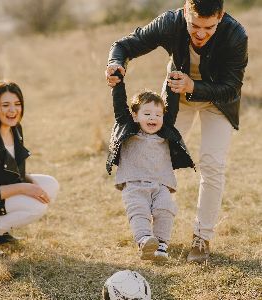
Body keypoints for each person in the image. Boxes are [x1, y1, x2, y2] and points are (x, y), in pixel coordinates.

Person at [105, 0, 248, 263]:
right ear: (185, 12)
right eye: (194, 25)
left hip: (218, 103)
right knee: (155, 154)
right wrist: (115, 63)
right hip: (175, 101)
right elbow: (125, 45)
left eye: (209, 27)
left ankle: (202, 238)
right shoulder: (170, 23)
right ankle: (148, 234)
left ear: (221, 17)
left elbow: (232, 87)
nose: (201, 33)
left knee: (212, 164)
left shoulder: (235, 35)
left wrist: (194, 85)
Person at [0, 80, 59, 256]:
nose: (13, 110)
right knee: (37, 207)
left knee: (51, 185)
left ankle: (0, 231)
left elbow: (12, 172)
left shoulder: (15, 129)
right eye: (5, 105)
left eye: (17, 104)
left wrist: (30, 183)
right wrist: (24, 187)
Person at [106, 71, 194, 260]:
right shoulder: (128, 127)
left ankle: (161, 245)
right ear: (135, 116)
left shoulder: (165, 131)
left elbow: (172, 104)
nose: (153, 118)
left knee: (165, 210)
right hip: (134, 183)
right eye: (147, 114)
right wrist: (117, 83)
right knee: (139, 211)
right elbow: (119, 105)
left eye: (157, 114)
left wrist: (174, 80)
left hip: (161, 184)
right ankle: (145, 240)